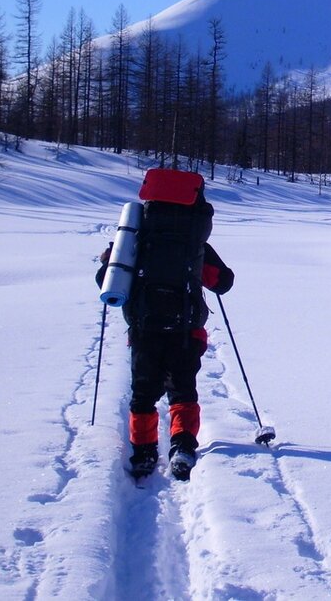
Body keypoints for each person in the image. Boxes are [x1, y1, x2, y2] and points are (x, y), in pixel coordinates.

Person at [96, 169, 234, 480]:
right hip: (187, 330)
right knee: (183, 390)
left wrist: (110, 258)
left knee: (143, 392)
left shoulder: (135, 235)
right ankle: (182, 446)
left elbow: (105, 280)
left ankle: (144, 453)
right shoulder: (195, 240)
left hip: (144, 330)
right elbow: (222, 282)